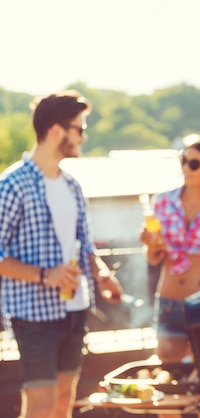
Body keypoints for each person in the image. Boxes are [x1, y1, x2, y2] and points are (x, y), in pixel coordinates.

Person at [0, 90, 123, 418]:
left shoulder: (72, 186)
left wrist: (101, 274)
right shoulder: (12, 184)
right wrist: (44, 275)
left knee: (63, 402)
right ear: (56, 131)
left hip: (75, 310)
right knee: (39, 407)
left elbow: (85, 245)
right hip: (34, 316)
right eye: (80, 129)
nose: (84, 136)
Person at [140, 134, 200, 367]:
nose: (185, 168)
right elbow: (154, 258)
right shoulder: (164, 201)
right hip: (169, 300)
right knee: (169, 370)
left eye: (194, 163)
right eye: (183, 160)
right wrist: (150, 245)